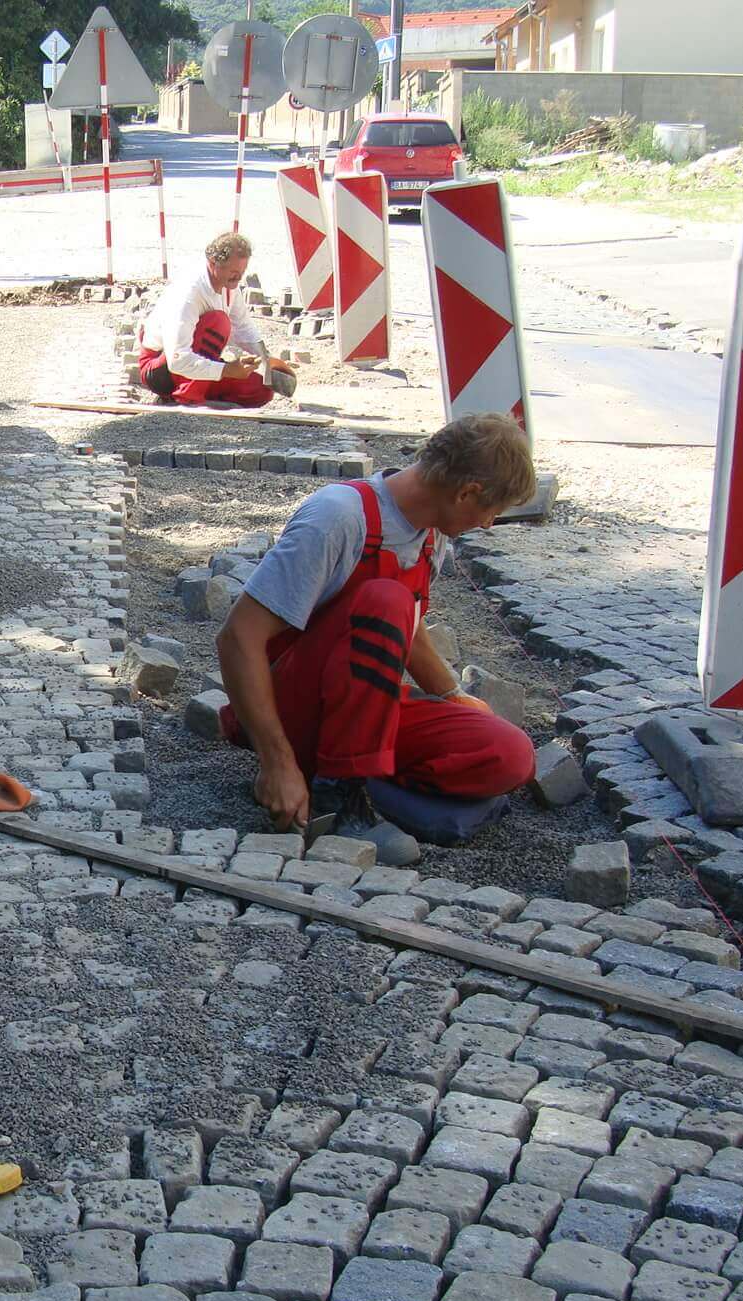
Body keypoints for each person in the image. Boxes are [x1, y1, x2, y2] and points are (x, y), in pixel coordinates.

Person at [213, 412, 539, 864]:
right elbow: (237, 638)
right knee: (387, 598)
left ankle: (356, 778)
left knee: (509, 753)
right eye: (491, 512)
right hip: (291, 705)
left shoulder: (431, 534)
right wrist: (276, 763)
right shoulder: (339, 517)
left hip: (358, 707)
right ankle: (338, 797)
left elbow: (407, 629)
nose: (487, 524)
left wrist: (451, 694)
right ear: (467, 493)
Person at [138, 232, 296, 409]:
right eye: (234, 272)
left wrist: (266, 360)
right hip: (160, 368)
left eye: (242, 273)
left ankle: (195, 393)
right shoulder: (189, 294)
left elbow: (243, 327)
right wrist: (226, 370)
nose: (238, 278)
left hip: (189, 364)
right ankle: (187, 397)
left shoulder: (229, 285)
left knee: (261, 390)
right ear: (213, 263)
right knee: (219, 322)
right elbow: (177, 360)